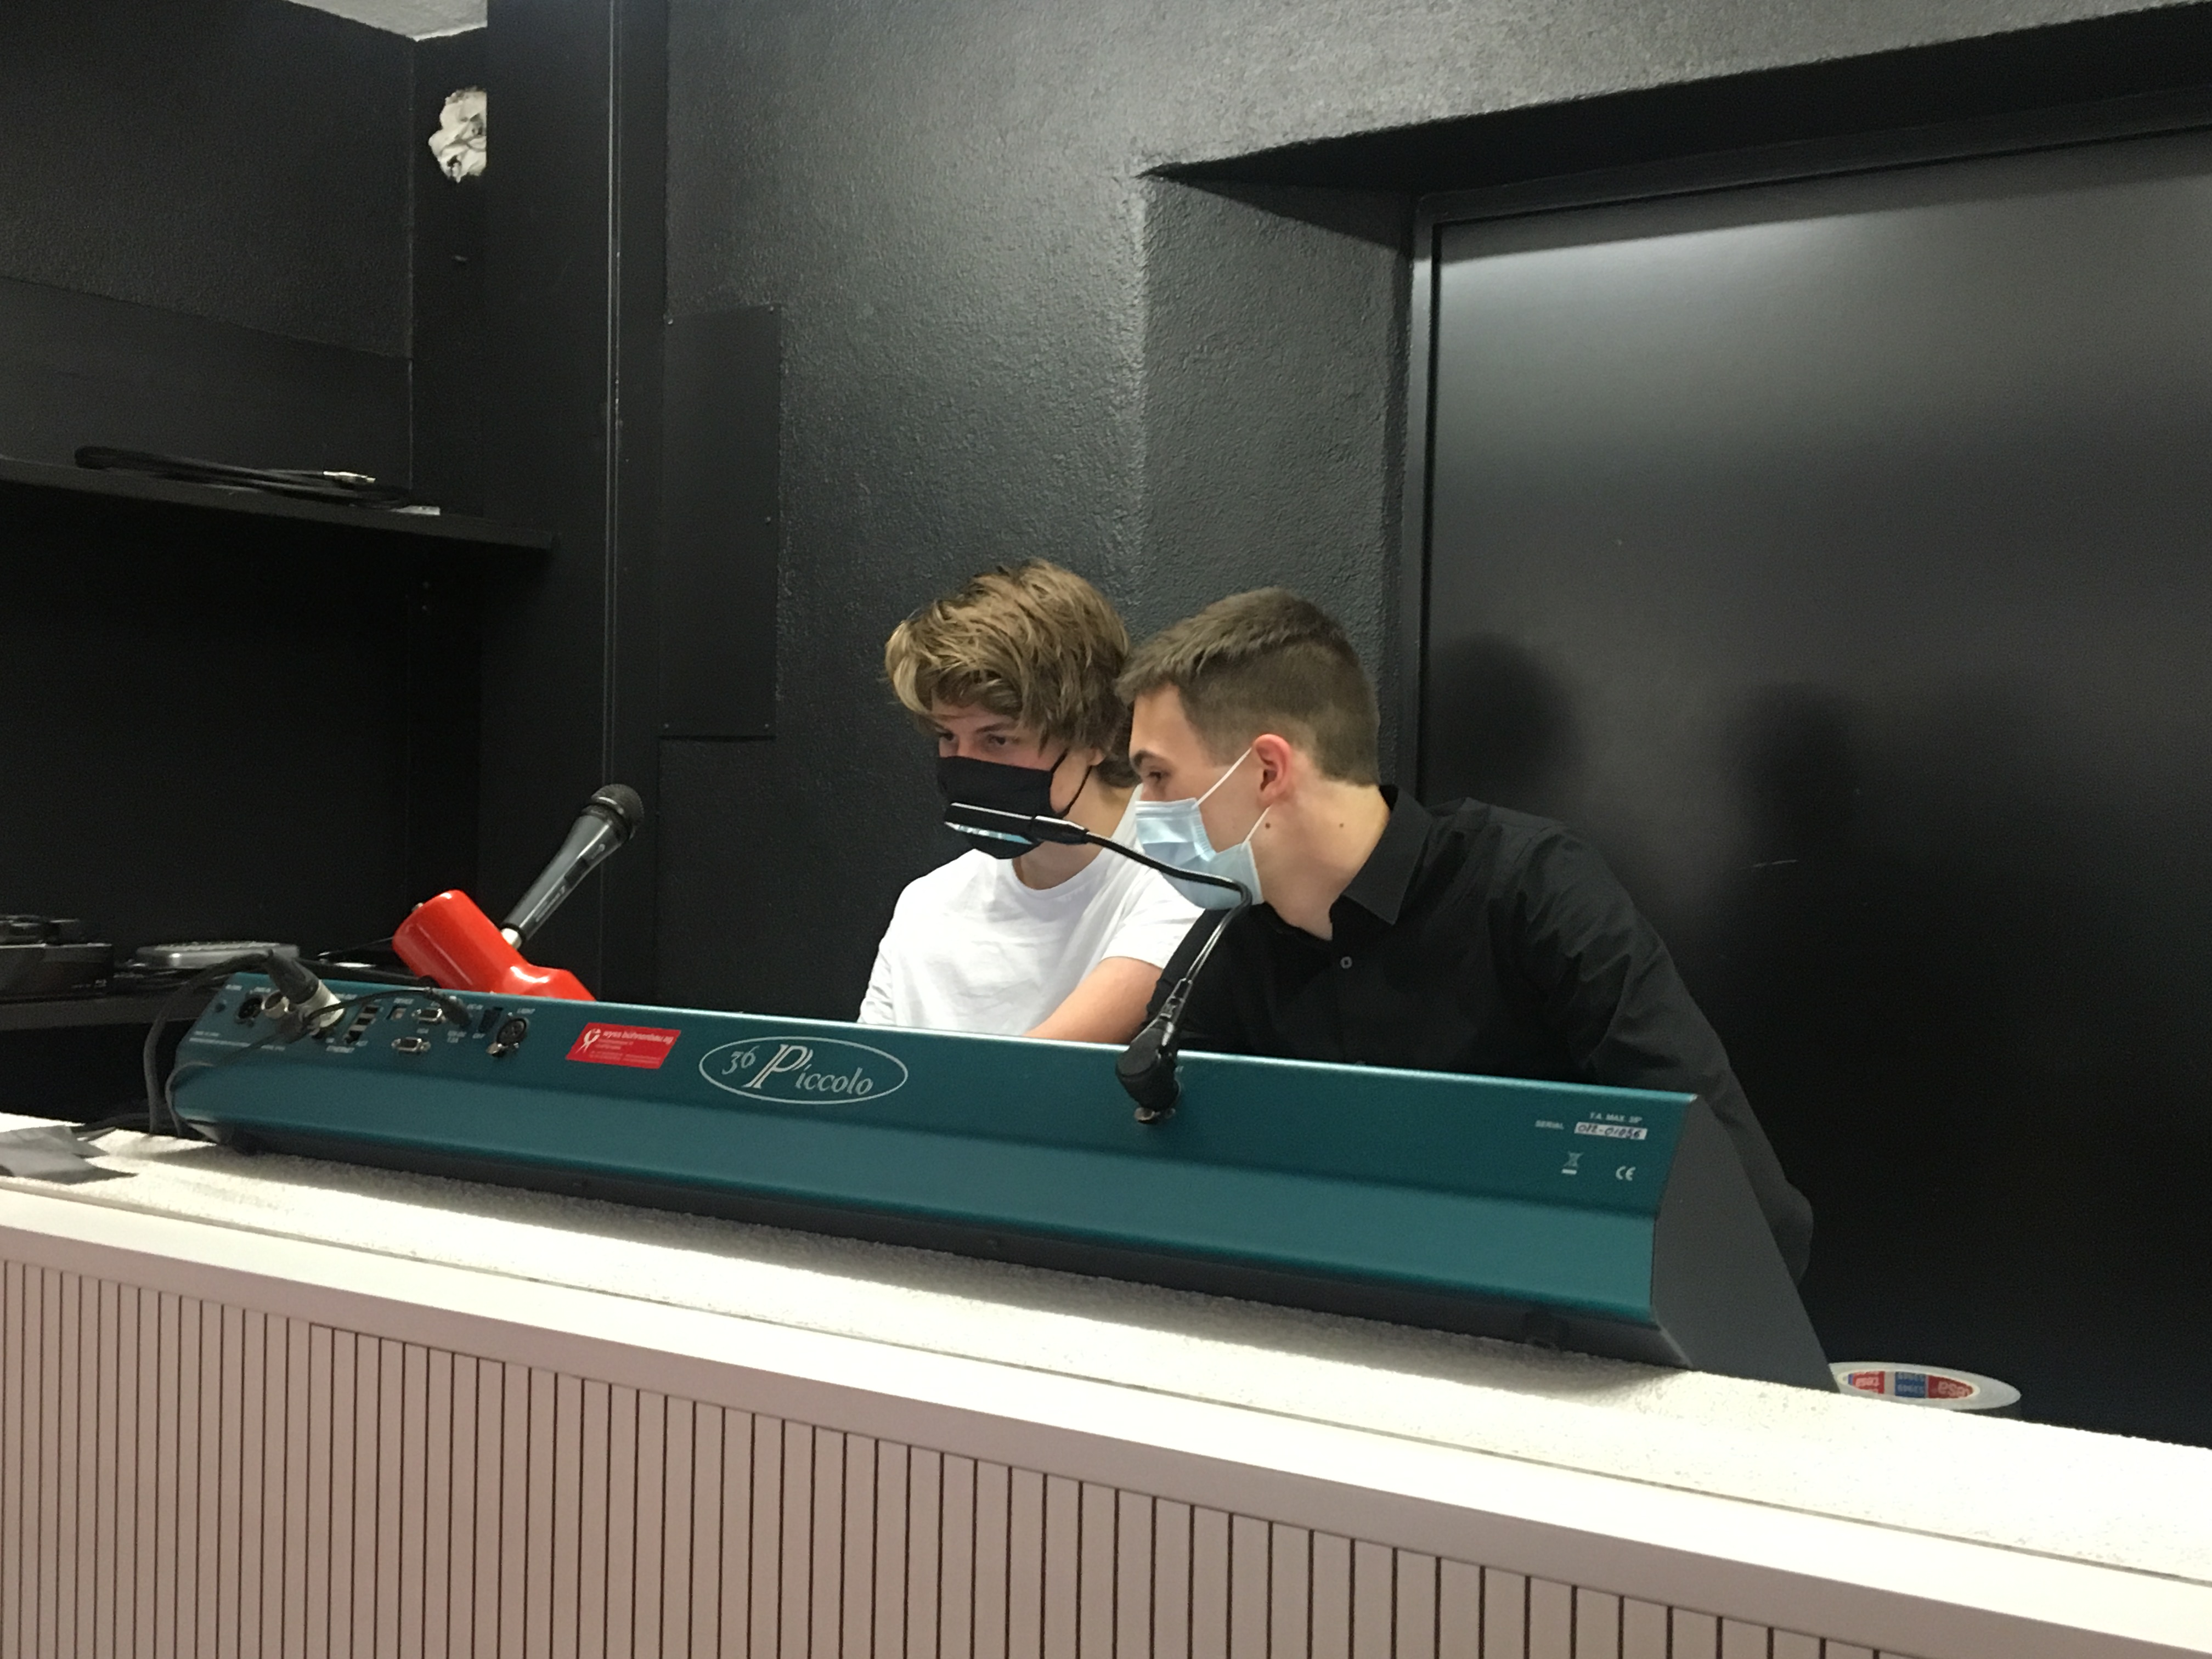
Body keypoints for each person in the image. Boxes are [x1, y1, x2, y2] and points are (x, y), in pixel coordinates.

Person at [1119, 588, 1814, 1278]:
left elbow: (1747, 1212)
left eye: (1156, 776)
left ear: (1268, 770)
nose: (1141, 808)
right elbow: (1152, 1180)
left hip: (1546, 1312)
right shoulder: (1227, 938)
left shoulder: (1532, 888)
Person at [859, 561, 1200, 1041]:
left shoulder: (1183, 874)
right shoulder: (927, 905)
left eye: (997, 739)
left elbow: (1038, 1070)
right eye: (947, 737)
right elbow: (874, 1076)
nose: (965, 763)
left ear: (1095, 736)